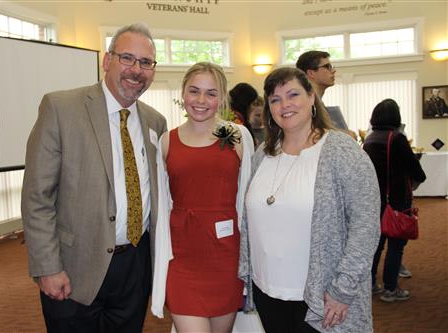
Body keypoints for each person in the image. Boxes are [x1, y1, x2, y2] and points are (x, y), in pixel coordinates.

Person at [21, 23, 167, 333]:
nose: (136, 70)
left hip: (136, 267)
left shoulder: (156, 122)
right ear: (107, 61)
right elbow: (37, 197)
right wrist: (47, 267)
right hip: (75, 269)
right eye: (127, 58)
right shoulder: (61, 108)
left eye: (146, 63)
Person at [238, 67, 381, 332]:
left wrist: (343, 289)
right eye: (275, 99)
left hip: (321, 297)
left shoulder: (341, 151)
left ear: (312, 97)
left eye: (293, 94)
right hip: (268, 291)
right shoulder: (263, 154)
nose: (285, 105)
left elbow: (366, 226)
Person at [151, 62, 254, 332]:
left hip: (225, 258)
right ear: (183, 93)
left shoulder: (233, 135)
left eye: (211, 93)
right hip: (182, 257)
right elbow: (161, 204)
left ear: (221, 98)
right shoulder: (166, 141)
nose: (201, 100)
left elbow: (248, 199)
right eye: (194, 91)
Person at [363, 99, 426, 303]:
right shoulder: (396, 138)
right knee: (396, 245)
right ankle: (391, 288)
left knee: (376, 245)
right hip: (396, 200)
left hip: (374, 200)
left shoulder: (370, 139)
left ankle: (371, 284)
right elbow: (418, 173)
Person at [296, 51, 354, 136]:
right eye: (327, 67)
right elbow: (308, 135)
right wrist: (343, 135)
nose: (333, 70)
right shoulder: (305, 103)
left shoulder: (317, 102)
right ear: (311, 73)